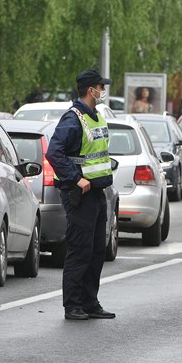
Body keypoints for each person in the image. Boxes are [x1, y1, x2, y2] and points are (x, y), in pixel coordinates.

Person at [46, 70, 116, 321]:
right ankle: (73, 305)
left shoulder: (95, 117)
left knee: (97, 250)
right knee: (80, 251)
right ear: (90, 90)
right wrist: (76, 178)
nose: (103, 90)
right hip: (80, 194)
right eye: (100, 86)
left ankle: (90, 302)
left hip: (97, 194)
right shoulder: (73, 118)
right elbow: (54, 153)